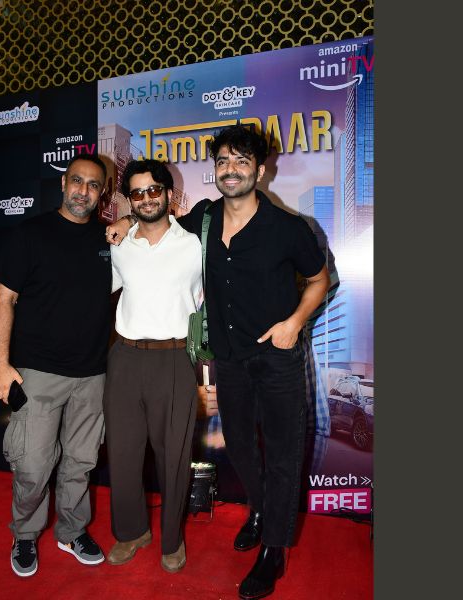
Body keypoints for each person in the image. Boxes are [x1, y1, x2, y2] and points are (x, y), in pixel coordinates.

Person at [106, 125, 331, 600]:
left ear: (261, 170)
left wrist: (294, 323)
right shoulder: (202, 219)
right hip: (229, 360)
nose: (231, 170)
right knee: (243, 450)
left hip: (277, 360)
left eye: (242, 161)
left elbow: (319, 280)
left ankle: (274, 550)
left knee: (282, 453)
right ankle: (258, 509)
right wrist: (125, 220)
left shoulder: (288, 228)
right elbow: (152, 217)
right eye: (224, 161)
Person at [0, 153, 112, 578]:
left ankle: (72, 531)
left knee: (80, 462)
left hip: (93, 374)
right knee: (33, 464)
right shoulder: (30, 234)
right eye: (77, 181)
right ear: (63, 184)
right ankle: (25, 534)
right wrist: (0, 363)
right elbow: (5, 299)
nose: (83, 191)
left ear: (102, 193)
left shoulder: (109, 240)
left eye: (93, 185)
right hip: (38, 372)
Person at [102, 159, 202, 574]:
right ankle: (131, 532)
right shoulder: (118, 244)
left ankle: (172, 540)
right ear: (130, 199)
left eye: (154, 190)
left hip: (175, 359)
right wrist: (124, 223)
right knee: (123, 453)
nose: (146, 199)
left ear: (168, 193)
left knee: (173, 456)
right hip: (125, 357)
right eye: (137, 193)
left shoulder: (195, 244)